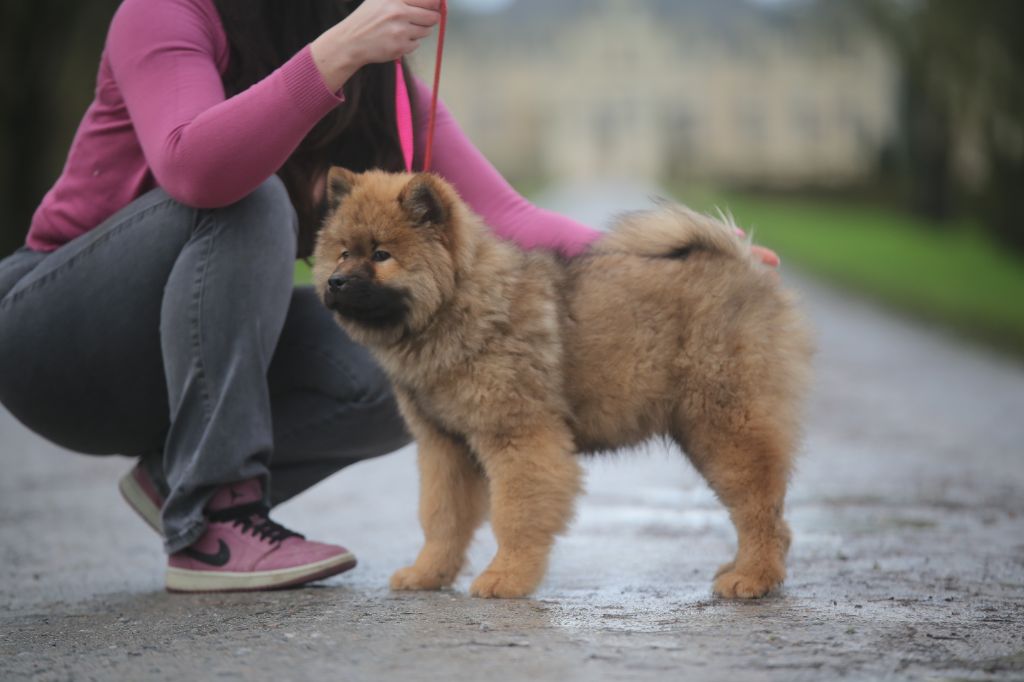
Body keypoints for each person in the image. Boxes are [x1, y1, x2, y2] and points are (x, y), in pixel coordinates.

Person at [0, 0, 778, 593]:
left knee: (415, 365)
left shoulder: (381, 82)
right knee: (254, 200)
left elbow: (506, 218)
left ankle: (184, 478)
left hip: (185, 360)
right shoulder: (168, 13)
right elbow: (198, 169)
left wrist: (678, 271)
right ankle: (216, 521)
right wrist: (337, 53)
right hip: (56, 337)